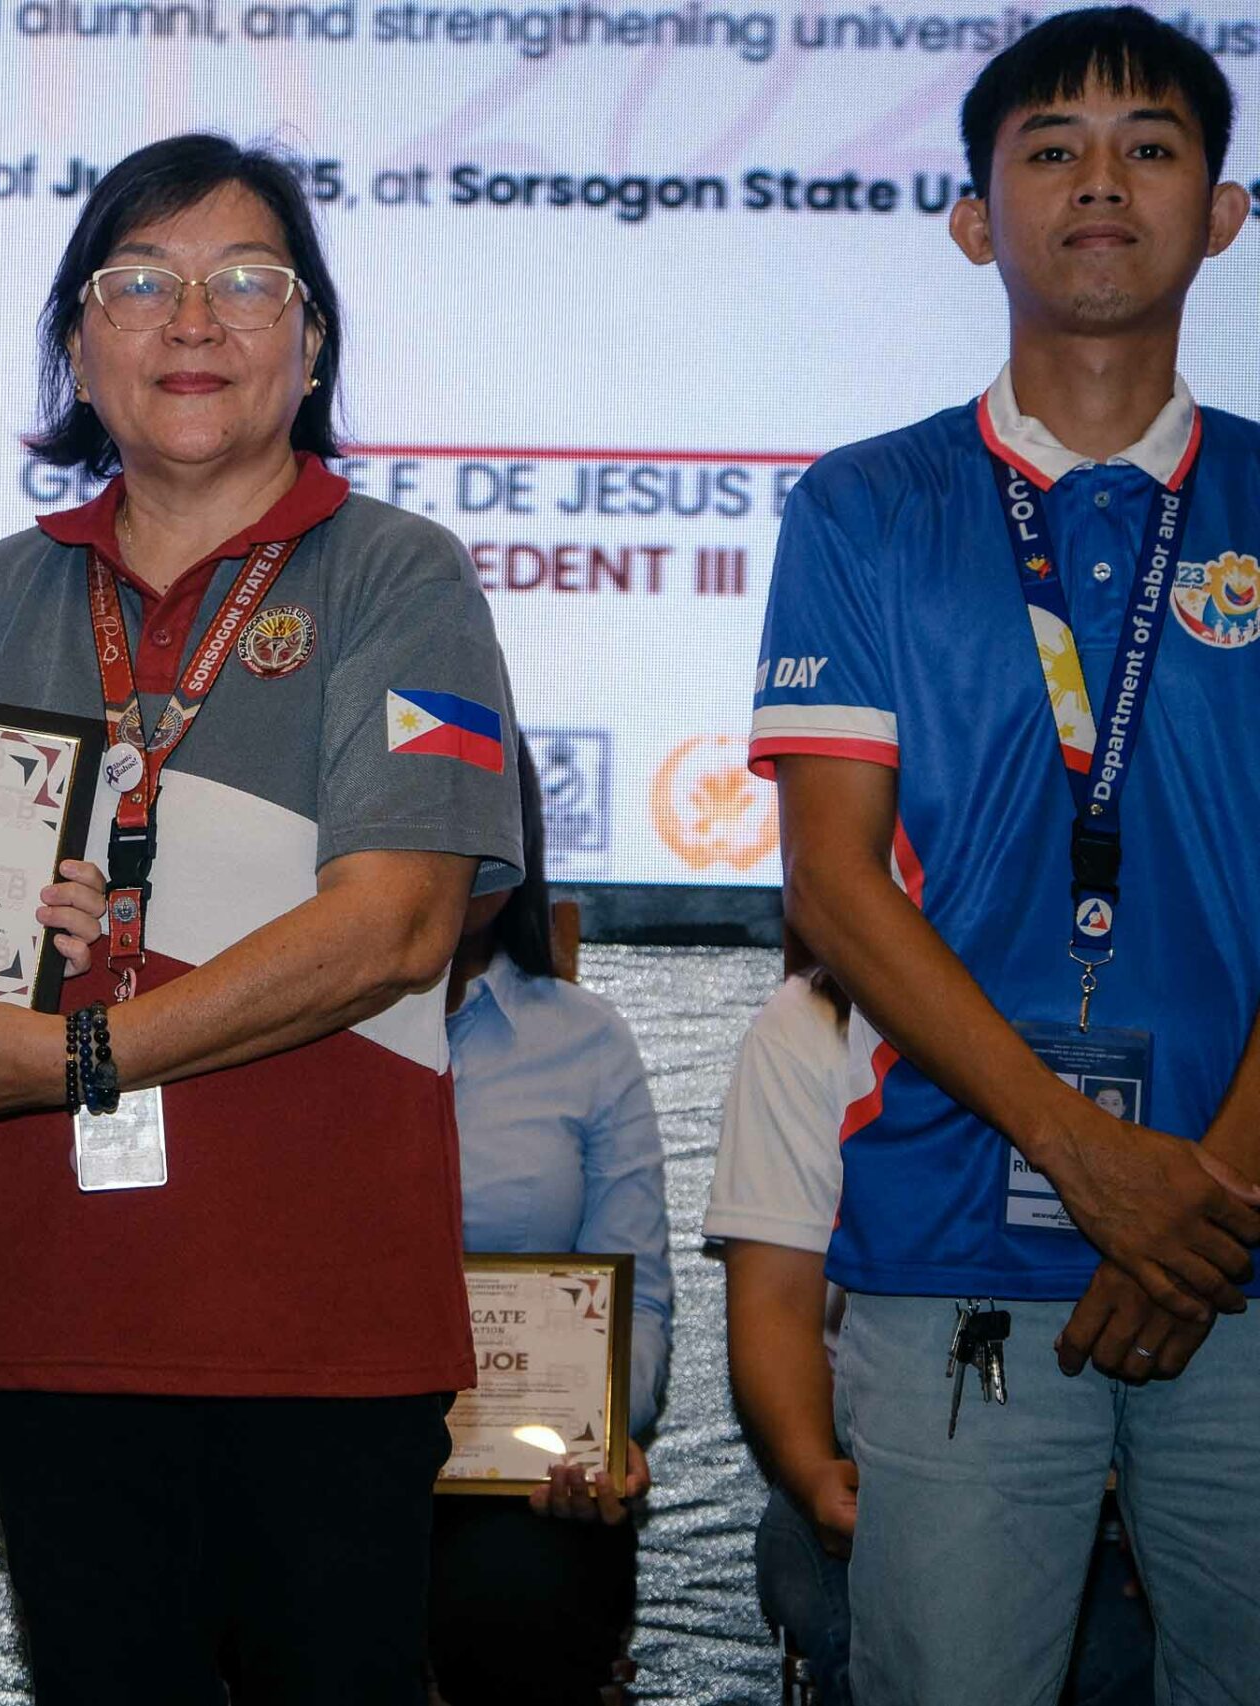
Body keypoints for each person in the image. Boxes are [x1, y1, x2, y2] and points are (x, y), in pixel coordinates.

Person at [0, 133, 524, 1704]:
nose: (193, 321)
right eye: (141, 283)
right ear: (79, 348)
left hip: (326, 1334)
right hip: (57, 1320)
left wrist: (84, 1053)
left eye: (245, 283)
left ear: (312, 342)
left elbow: (398, 922)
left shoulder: (405, 580)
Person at [750, 11, 1260, 1700]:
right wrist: (1083, 1153)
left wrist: (1207, 1202)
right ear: (977, 219)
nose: (1101, 180)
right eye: (1052, 149)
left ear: (1224, 214)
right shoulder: (863, 507)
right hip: (956, 1241)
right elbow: (832, 885)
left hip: (1248, 1251)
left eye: (1150, 146)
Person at [706, 946, 1156, 1706]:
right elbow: (775, 1302)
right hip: (884, 1467)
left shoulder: (1168, 997)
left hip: (1127, 1488)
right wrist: (813, 1472)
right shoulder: (811, 1024)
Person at [431, 739, 670, 1706]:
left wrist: (599, 1432)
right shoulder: (296, 1030)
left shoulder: (589, 1043)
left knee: (523, 1588)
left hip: (526, 1482)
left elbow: (638, 1303)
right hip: (322, 1459)